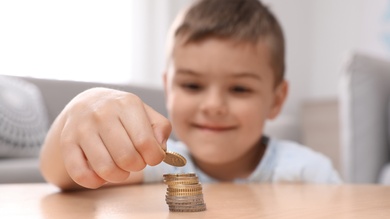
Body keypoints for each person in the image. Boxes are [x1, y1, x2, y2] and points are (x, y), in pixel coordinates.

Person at [40, 0, 342, 191]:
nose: (213, 106)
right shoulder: (155, 162)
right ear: (168, 87)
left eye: (240, 89)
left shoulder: (309, 171)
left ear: (276, 100)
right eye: (192, 86)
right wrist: (79, 109)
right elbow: (59, 174)